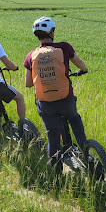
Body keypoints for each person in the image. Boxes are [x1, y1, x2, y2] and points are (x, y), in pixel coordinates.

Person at [23, 16, 88, 174]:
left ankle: (57, 173)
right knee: (74, 119)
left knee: (52, 136)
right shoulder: (64, 47)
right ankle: (87, 154)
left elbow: (28, 83)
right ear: (52, 32)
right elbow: (82, 66)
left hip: (46, 104)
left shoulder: (31, 55)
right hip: (66, 100)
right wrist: (81, 71)